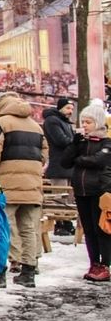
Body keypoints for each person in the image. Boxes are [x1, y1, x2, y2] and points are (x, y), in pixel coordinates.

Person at [0, 91, 48, 288]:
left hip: (8, 184)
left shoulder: (1, 123)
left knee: (3, 227)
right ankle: (28, 272)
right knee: (28, 227)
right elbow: (44, 154)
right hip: (32, 184)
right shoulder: (36, 126)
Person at [60, 101, 111, 282]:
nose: (84, 126)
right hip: (81, 191)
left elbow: (99, 161)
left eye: (88, 122)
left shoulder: (107, 142)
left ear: (97, 122)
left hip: (99, 192)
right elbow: (65, 162)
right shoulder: (81, 143)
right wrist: (74, 145)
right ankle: (93, 263)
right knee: (88, 230)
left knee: (101, 230)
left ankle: (105, 264)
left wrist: (79, 159)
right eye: (83, 122)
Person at [43, 97, 76, 237]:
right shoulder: (52, 121)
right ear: (61, 108)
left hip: (68, 165)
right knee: (60, 197)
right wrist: (76, 143)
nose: (70, 111)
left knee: (69, 197)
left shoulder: (66, 122)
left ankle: (67, 222)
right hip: (59, 165)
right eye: (68, 108)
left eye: (72, 109)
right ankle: (60, 223)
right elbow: (61, 140)